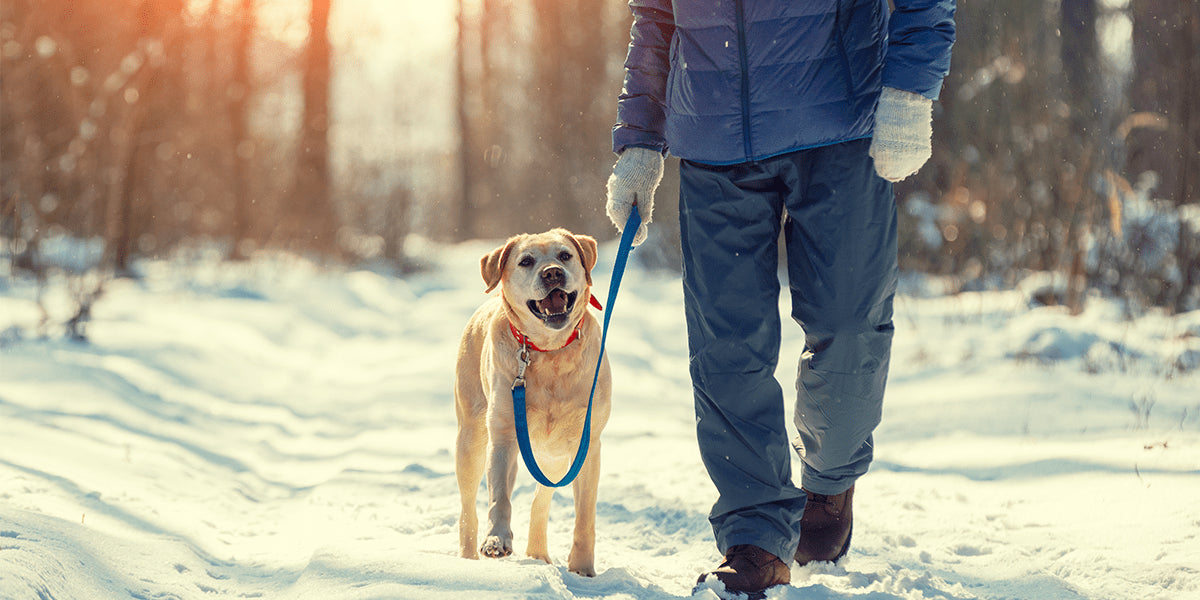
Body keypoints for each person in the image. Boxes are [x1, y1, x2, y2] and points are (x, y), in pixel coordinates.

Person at [605, 0, 955, 596]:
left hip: (839, 126)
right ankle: (755, 535)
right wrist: (640, 139)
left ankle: (830, 476)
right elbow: (657, 18)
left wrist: (909, 89)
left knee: (850, 325)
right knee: (726, 345)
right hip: (714, 139)